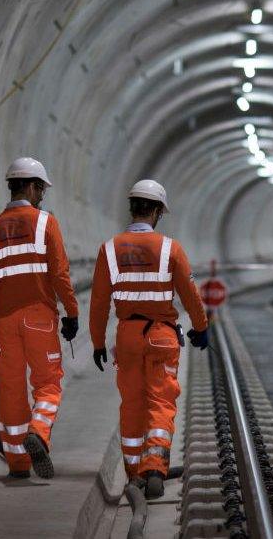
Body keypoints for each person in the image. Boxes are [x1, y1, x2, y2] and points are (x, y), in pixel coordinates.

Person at [89, 179, 209, 499]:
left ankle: (134, 473)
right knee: (160, 400)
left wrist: (98, 342)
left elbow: (99, 302)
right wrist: (201, 327)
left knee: (132, 403)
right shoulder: (171, 248)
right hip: (161, 335)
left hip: (127, 335)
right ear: (156, 211)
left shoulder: (109, 249)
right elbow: (190, 296)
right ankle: (155, 465)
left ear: (132, 209)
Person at [0, 157, 79, 479]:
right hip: (40, 317)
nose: (42, 196)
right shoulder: (46, 223)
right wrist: (72, 312)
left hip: (5, 321)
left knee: (11, 389)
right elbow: (59, 274)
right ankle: (38, 432)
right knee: (48, 384)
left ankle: (18, 463)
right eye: (41, 190)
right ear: (32, 186)